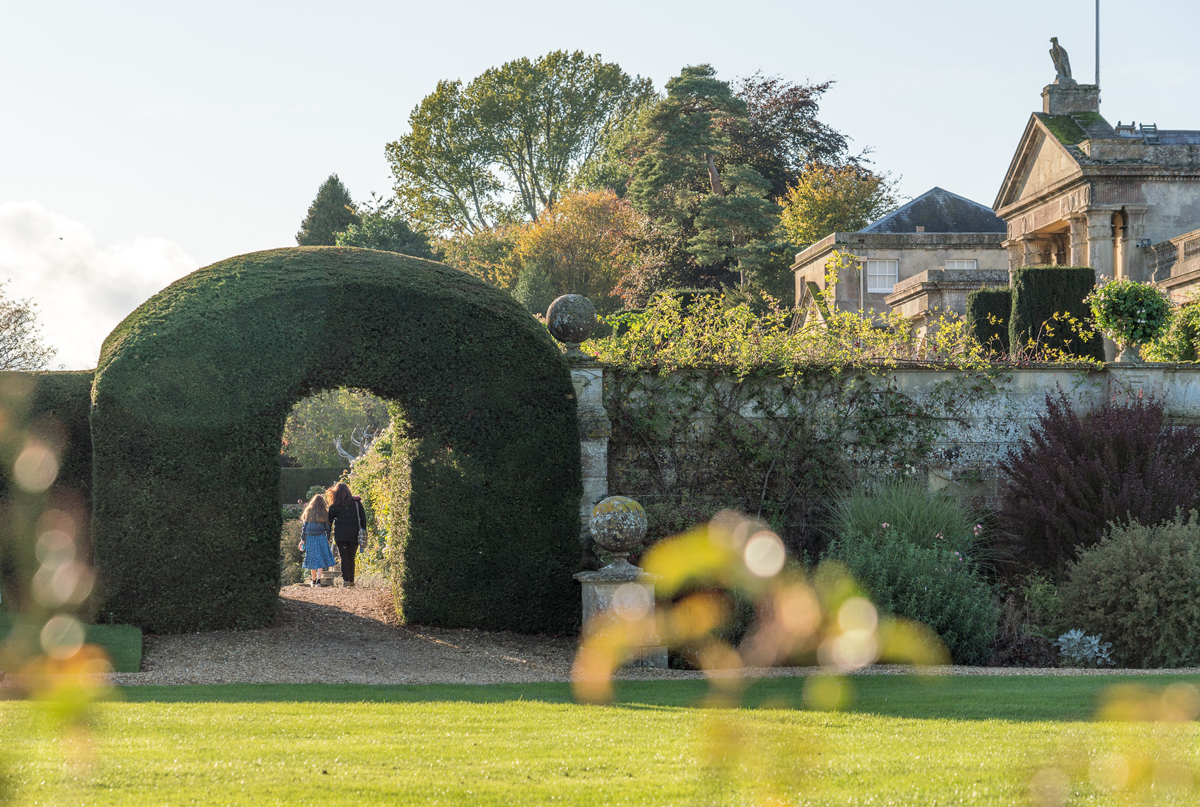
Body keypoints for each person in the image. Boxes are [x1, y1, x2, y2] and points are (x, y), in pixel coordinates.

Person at [327, 482, 367, 587]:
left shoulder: (334, 506)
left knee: (344, 557)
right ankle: (351, 580)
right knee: (351, 557)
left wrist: (327, 535)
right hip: (354, 534)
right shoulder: (356, 503)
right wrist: (363, 530)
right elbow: (363, 518)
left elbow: (329, 522)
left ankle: (346, 580)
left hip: (341, 535)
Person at [299, 494, 335, 587]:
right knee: (320, 558)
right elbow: (328, 527)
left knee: (312, 558)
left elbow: (304, 527)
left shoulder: (308, 511)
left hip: (310, 537)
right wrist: (328, 538)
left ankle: (313, 580)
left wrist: (302, 539)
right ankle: (319, 581)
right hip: (321, 537)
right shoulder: (324, 512)